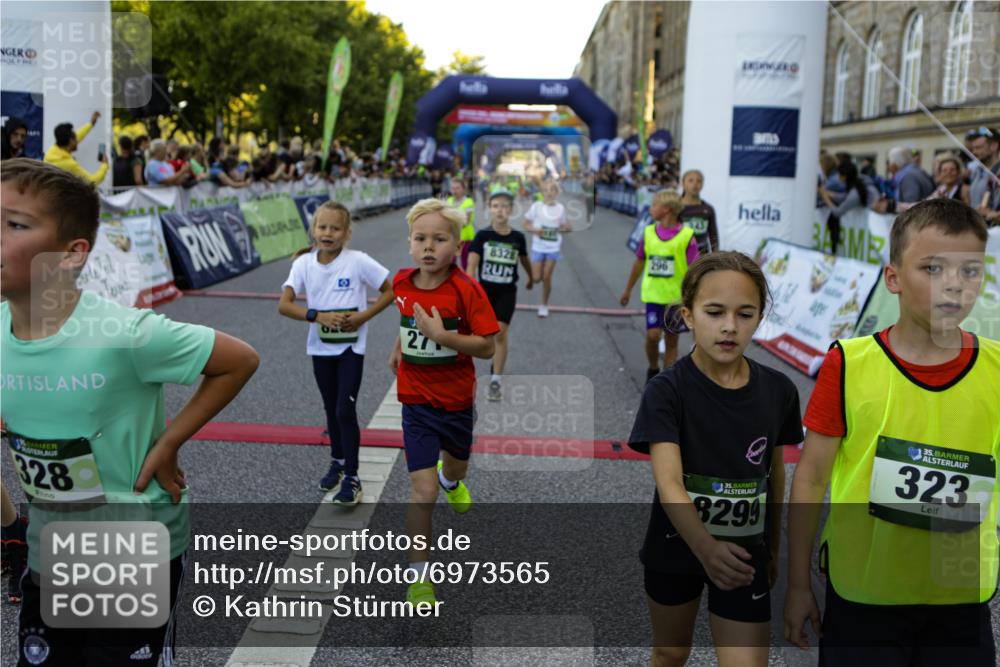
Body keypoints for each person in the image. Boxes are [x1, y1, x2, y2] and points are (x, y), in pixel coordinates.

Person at [0, 158, 259, 665]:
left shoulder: (126, 333)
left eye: (14, 225)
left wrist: (169, 441)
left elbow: (239, 361)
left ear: (71, 255)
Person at [784, 198, 998, 666]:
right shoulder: (849, 364)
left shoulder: (996, 368)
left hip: (960, 600)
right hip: (865, 597)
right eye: (933, 268)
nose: (954, 286)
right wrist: (798, 584)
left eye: (970, 271)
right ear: (893, 278)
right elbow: (811, 479)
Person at [629, 251, 802, 667]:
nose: (729, 326)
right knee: (670, 652)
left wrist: (773, 549)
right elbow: (670, 482)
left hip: (745, 555)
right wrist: (705, 548)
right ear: (688, 316)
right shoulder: (666, 391)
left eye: (745, 314)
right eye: (714, 312)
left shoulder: (779, 390)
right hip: (676, 548)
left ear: (760, 318)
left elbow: (774, 473)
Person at [389, 198, 498, 607]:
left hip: (455, 402)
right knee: (422, 490)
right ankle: (419, 578)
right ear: (410, 244)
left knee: (454, 467)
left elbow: (487, 347)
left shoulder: (466, 290)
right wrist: (399, 345)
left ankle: (453, 479)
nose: (429, 246)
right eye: (420, 239)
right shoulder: (402, 282)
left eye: (439, 238)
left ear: (457, 245)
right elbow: (408, 316)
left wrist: (444, 337)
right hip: (415, 400)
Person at [278, 201, 393, 504]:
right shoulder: (303, 264)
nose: (328, 233)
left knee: (345, 409)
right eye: (322, 227)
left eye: (335, 228)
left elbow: (391, 290)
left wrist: (362, 317)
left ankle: (353, 477)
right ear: (313, 230)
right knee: (331, 410)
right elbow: (285, 305)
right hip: (320, 348)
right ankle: (338, 461)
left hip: (350, 348)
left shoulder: (358, 261)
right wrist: (317, 316)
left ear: (347, 233)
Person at [620, 190, 700, 383]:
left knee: (672, 340)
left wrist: (696, 296)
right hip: (654, 296)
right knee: (653, 336)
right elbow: (639, 262)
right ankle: (653, 367)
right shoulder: (648, 233)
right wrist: (628, 289)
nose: (650, 209)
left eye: (654, 205)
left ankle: (665, 381)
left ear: (666, 209)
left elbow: (695, 269)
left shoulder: (687, 236)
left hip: (676, 298)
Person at [466, 189, 534, 402]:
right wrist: (469, 286)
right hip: (484, 292)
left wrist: (531, 277)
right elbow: (471, 265)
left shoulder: (517, 237)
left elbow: (524, 260)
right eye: (496, 206)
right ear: (489, 209)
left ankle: (496, 379)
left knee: (500, 333)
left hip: (507, 292)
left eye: (505, 206)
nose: (500, 210)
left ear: (511, 210)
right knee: (478, 335)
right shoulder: (482, 236)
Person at [523, 179, 572, 318]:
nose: (549, 193)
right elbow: (525, 224)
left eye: (552, 190)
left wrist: (567, 227)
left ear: (556, 192)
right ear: (542, 192)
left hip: (553, 247)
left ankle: (544, 304)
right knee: (537, 278)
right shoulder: (536, 206)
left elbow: (566, 226)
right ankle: (534, 276)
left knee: (546, 276)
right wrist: (534, 229)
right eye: (546, 190)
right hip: (538, 247)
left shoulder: (560, 208)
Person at [818, 159, 875, 252]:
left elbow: (838, 212)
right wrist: (830, 194)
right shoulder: (857, 184)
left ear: (844, 176)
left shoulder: (855, 193)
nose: (837, 177)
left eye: (839, 174)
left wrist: (825, 198)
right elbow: (845, 197)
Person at [43, 111, 108, 184]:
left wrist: (91, 124)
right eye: (75, 138)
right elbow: (93, 182)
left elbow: (78, 135)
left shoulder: (52, 151)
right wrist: (104, 165)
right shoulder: (69, 164)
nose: (77, 140)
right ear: (70, 141)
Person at [678, 169, 719, 255]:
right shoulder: (675, 207)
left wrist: (716, 256)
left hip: (701, 256)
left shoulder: (708, 209)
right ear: (682, 183)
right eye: (690, 180)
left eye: (699, 181)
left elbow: (713, 236)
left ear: (702, 184)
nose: (695, 184)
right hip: (680, 254)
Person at [966, 127, 1000, 226]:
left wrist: (990, 213)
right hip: (977, 230)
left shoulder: (998, 173)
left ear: (994, 146)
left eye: (979, 147)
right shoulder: (976, 172)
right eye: (973, 148)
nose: (974, 152)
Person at [445, 178, 476, 269]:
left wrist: (450, 220)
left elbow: (466, 221)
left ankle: (466, 282)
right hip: (451, 238)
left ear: (463, 189)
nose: (455, 191)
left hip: (466, 238)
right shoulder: (448, 201)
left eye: (457, 188)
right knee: (449, 263)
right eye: (453, 188)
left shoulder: (468, 202)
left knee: (465, 263)